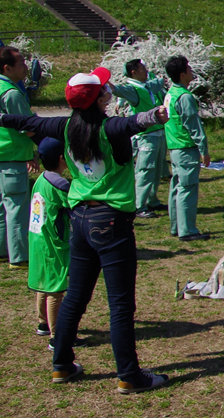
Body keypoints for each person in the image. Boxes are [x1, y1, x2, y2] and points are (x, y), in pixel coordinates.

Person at [0, 66, 170, 392]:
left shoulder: (64, 127)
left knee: (76, 296)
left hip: (78, 219)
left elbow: (26, 122)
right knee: (120, 304)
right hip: (111, 223)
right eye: (105, 89)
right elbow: (136, 122)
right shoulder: (109, 128)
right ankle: (129, 376)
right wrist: (157, 114)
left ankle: (62, 366)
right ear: (101, 98)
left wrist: (2, 118)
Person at [110, 59, 169, 218]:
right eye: (142, 68)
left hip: (157, 133)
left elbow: (159, 83)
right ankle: (139, 206)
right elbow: (116, 90)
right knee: (145, 170)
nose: (146, 70)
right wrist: (104, 83)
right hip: (146, 136)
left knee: (155, 170)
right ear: (133, 72)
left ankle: (152, 200)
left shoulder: (147, 85)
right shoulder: (133, 89)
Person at [163, 56, 211, 242]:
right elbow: (193, 125)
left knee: (176, 187)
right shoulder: (185, 97)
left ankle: (177, 226)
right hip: (185, 147)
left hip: (174, 147)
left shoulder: (170, 94)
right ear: (182, 74)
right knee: (187, 189)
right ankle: (187, 229)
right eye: (189, 69)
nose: (192, 72)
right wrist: (203, 149)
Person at [29, 137, 70, 342]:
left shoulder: (41, 179)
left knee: (44, 283)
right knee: (56, 288)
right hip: (53, 242)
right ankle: (57, 336)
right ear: (62, 158)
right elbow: (73, 207)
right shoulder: (60, 183)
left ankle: (43, 323)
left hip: (38, 238)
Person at [0, 46, 36, 267]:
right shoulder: (11, 93)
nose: (25, 67)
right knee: (16, 208)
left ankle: (4, 250)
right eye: (21, 63)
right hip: (12, 157)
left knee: (2, 209)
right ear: (7, 67)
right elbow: (28, 127)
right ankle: (20, 256)